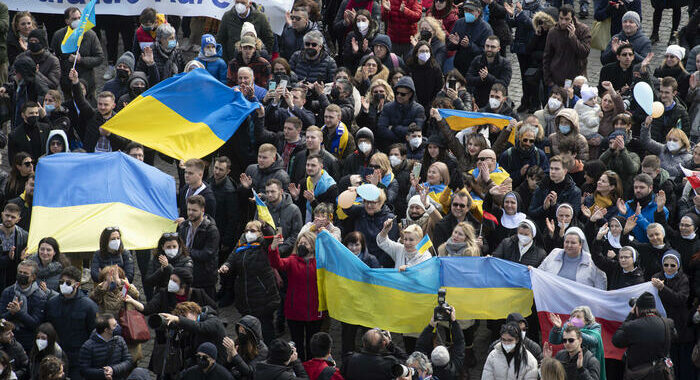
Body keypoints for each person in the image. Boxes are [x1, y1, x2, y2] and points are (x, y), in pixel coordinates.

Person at [219, 221, 279, 345]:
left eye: (252, 231)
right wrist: (226, 266)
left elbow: (271, 237)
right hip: (245, 296)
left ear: (260, 233)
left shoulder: (263, 245)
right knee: (249, 331)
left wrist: (265, 226)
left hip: (263, 297)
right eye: (246, 230)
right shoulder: (241, 244)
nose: (248, 233)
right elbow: (232, 259)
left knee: (266, 329)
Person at [267, 232, 322, 362]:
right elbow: (277, 263)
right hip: (295, 311)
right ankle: (299, 366)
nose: (302, 245)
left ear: (313, 246)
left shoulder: (320, 262)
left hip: (315, 312)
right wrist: (273, 249)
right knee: (297, 344)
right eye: (300, 243)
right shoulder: (292, 260)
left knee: (312, 344)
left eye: (305, 243)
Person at [45, 266, 99, 380]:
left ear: (77, 285)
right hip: (56, 354)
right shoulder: (51, 303)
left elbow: (94, 333)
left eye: (68, 283)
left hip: (78, 357)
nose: (64, 285)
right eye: (61, 282)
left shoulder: (88, 306)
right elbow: (47, 327)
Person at [612, 292, 676, 378]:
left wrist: (630, 316)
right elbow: (674, 336)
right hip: (661, 373)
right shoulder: (667, 323)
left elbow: (616, 341)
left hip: (639, 374)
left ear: (637, 309)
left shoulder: (632, 326)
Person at [650, 251, 692, 378]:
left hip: (679, 325)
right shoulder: (657, 276)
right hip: (661, 324)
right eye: (666, 265)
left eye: (672, 265)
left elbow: (680, 299)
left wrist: (663, 289)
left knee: (679, 362)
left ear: (678, 266)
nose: (669, 268)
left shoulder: (683, 279)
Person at [50, 7, 104, 100]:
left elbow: (99, 58)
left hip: (87, 83)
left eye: (80, 18)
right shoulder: (59, 35)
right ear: (67, 21)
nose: (78, 21)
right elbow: (53, 57)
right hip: (67, 82)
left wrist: (81, 60)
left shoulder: (90, 35)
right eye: (74, 19)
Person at [69, 69, 126, 153]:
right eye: (100, 104)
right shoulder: (92, 114)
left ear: (113, 106)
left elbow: (124, 143)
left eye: (106, 105)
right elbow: (80, 101)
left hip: (110, 158)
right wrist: (75, 82)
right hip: (92, 156)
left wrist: (109, 134)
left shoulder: (119, 119)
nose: (102, 107)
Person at [176, 195, 220, 299]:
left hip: (204, 278)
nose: (190, 213)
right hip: (187, 275)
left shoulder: (211, 230)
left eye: (194, 210)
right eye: (189, 209)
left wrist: (186, 251)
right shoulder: (184, 226)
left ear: (202, 210)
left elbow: (208, 253)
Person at [0, 259, 47, 352]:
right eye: (20, 272)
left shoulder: (40, 296)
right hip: (7, 341)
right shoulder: (8, 292)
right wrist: (11, 312)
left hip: (29, 342)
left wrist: (18, 312)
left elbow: (35, 324)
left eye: (25, 273)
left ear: (33, 277)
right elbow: (1, 317)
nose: (22, 275)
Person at [538, 227, 607, 289]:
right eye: (566, 242)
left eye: (573, 243)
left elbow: (600, 286)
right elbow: (540, 273)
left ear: (581, 244)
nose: (569, 245)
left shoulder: (592, 261)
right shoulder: (554, 253)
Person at [542, 5, 591, 88]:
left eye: (567, 19)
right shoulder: (553, 32)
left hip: (576, 81)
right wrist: (549, 81)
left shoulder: (583, 30)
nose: (563, 22)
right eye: (561, 18)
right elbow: (547, 57)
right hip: (556, 81)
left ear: (572, 18)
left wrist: (573, 37)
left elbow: (584, 53)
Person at [415, 306, 465, 380]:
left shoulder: (425, 370)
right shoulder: (453, 369)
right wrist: (453, 322)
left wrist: (431, 326)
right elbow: (459, 342)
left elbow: (420, 346)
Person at [78, 313, 133, 380]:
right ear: (106, 330)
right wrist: (103, 373)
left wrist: (113, 370)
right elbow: (84, 370)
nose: (118, 327)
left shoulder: (120, 340)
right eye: (115, 326)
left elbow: (128, 361)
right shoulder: (88, 347)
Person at [528, 155, 582, 222]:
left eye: (557, 169)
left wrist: (555, 205)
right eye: (551, 168)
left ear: (565, 171)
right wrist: (544, 208)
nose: (553, 172)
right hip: (542, 227)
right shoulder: (541, 187)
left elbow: (574, 215)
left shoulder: (574, 191)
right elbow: (531, 212)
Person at [447, 0, 493, 77]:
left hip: (476, 69)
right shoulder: (459, 23)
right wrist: (454, 44)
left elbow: (486, 52)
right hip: (459, 67)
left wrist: (470, 45)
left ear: (478, 12)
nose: (467, 13)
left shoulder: (486, 29)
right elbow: (449, 46)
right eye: (466, 10)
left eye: (470, 11)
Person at [618, 174, 669, 244]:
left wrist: (639, 217)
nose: (638, 190)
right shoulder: (628, 205)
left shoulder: (660, 209)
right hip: (629, 247)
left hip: (650, 249)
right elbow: (618, 230)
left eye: (642, 187)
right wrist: (622, 215)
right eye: (635, 187)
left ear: (650, 188)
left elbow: (657, 233)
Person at [376, 76, 426, 147]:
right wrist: (400, 139)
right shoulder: (387, 107)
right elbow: (381, 129)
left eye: (403, 94)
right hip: (390, 145)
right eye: (397, 93)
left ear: (410, 94)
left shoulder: (418, 109)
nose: (399, 96)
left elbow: (416, 132)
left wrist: (393, 128)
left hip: (411, 146)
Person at [205, 157, 239, 259]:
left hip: (220, 231)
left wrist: (226, 241)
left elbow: (233, 218)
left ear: (228, 171)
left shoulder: (230, 191)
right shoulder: (210, 181)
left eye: (221, 170)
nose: (217, 172)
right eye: (216, 168)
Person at [341, 328, 407, 380]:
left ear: (363, 343)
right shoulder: (389, 363)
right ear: (384, 344)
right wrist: (390, 344)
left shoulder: (349, 359)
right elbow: (405, 359)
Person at [289, 154, 338, 223]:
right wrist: (296, 198)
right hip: (306, 224)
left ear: (321, 166)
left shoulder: (331, 187)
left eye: (313, 165)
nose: (309, 168)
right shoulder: (304, 182)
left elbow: (328, 213)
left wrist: (313, 201)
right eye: (307, 165)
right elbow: (301, 208)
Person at [466, 36, 512, 108]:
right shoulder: (477, 60)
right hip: (479, 99)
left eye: (493, 47)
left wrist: (488, 77)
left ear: (498, 49)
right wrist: (480, 78)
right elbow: (468, 78)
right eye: (487, 46)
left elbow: (504, 84)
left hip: (497, 101)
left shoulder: (505, 64)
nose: (489, 49)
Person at [499, 124, 549, 188]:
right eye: (525, 140)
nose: (528, 143)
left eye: (531, 141)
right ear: (520, 137)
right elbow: (501, 178)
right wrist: (519, 173)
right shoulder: (508, 155)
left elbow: (546, 174)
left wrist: (536, 177)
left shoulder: (540, 155)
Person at [222, 315, 268, 379]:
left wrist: (235, 354)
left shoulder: (262, 350)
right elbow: (226, 368)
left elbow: (249, 372)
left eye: (243, 331)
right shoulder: (239, 342)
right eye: (239, 330)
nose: (240, 333)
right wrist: (229, 357)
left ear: (251, 334)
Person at [0, 202, 28, 291]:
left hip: (13, 277)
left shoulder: (24, 236)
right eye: (7, 215)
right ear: (2, 215)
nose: (9, 219)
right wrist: (7, 258)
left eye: (13, 217)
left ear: (18, 219)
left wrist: (22, 259)